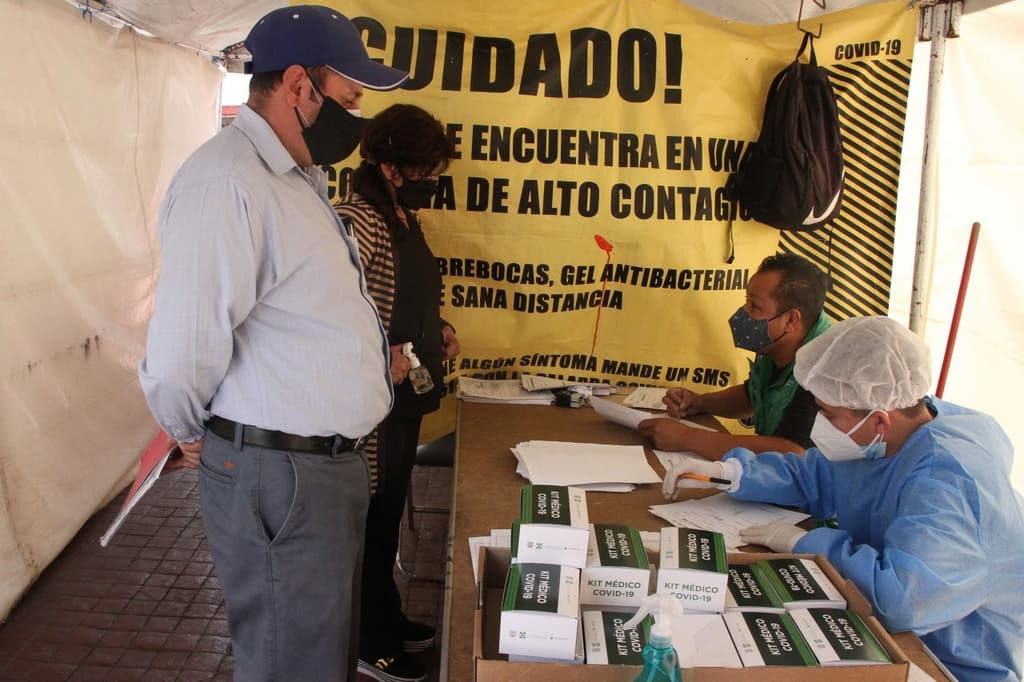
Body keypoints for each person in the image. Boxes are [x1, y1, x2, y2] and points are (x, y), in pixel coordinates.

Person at [137, 6, 408, 681]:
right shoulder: (230, 182)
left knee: (317, 656)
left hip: (315, 472)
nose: (357, 119)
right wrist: (189, 432)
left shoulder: (294, 178)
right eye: (348, 99)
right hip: (280, 474)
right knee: (293, 662)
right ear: (297, 85)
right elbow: (180, 353)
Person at [663, 316, 1024, 681]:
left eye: (828, 414)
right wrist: (734, 473)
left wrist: (810, 543)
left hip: (953, 659)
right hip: (895, 634)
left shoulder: (948, 480)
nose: (818, 422)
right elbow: (818, 475)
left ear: (880, 420)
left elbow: (903, 601)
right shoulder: (888, 430)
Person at [335, 104, 460, 682]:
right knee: (373, 519)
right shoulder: (358, 219)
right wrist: (380, 351)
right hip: (374, 403)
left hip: (406, 397)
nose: (433, 182)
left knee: (385, 517)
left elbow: (409, 293)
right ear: (389, 167)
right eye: (425, 170)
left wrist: (440, 331)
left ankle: (386, 614)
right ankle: (369, 641)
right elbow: (338, 310)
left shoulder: (404, 219)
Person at [638, 253, 830, 459]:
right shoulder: (778, 344)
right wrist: (699, 402)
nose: (743, 312)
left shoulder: (825, 369)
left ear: (791, 320)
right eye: (746, 302)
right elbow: (753, 396)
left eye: (754, 306)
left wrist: (688, 438)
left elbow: (792, 452)